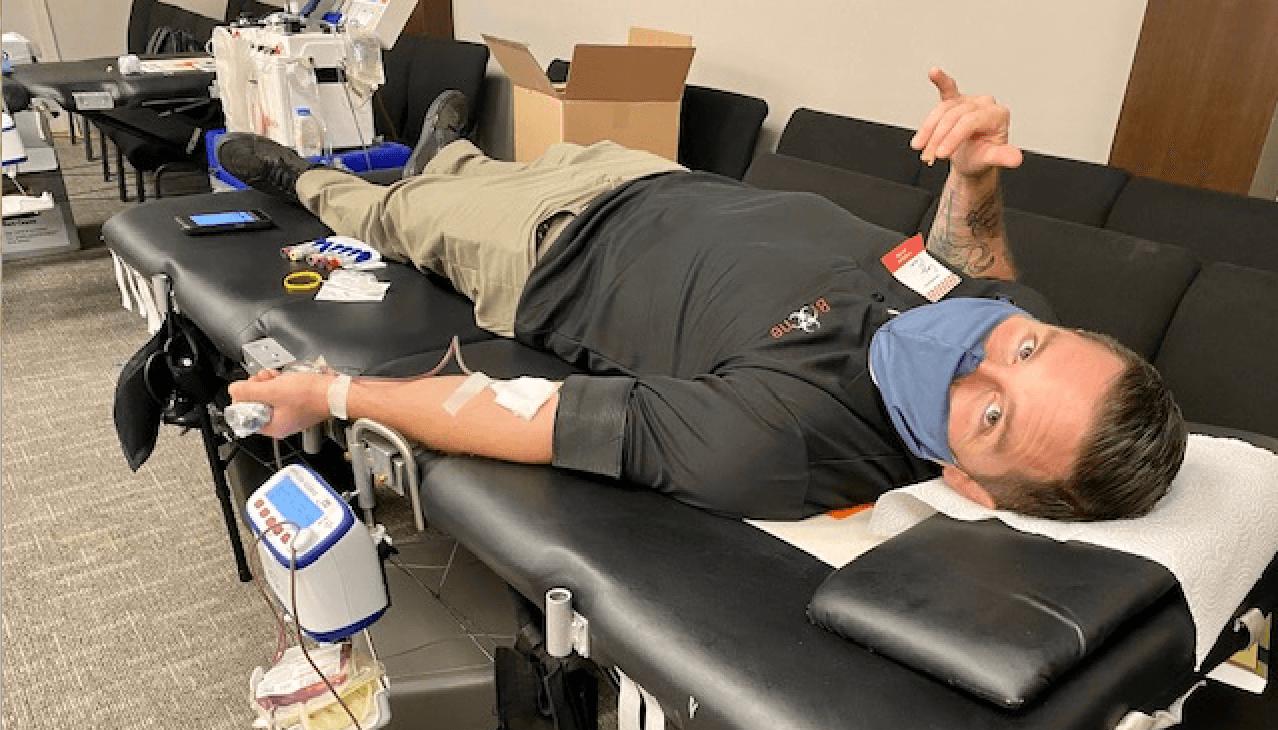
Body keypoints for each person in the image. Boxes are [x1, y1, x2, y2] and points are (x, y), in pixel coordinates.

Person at [221, 69, 1186, 522]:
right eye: (1026, 348)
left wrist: (333, 395)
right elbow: (975, 274)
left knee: (398, 218)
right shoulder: (1013, 317)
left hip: (541, 256)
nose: (979, 354)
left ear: (970, 481)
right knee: (478, 169)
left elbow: (521, 415)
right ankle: (450, 159)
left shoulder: (777, 441)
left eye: (987, 413)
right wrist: (973, 181)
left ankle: (305, 180)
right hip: (651, 179)